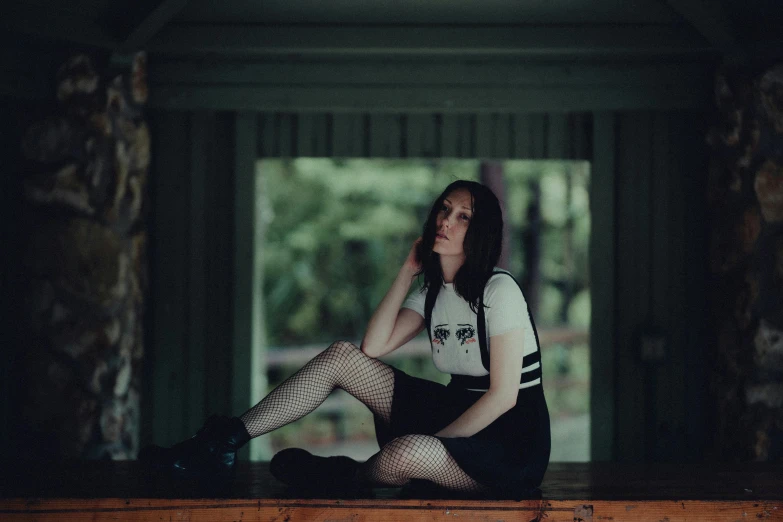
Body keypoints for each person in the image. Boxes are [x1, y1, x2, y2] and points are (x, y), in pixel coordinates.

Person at [140, 180, 551, 499]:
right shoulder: (433, 291)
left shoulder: (500, 291)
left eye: (463, 216)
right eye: (444, 209)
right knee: (341, 356)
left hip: (508, 440)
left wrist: (434, 443)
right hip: (457, 406)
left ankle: (346, 476)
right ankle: (221, 443)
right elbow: (372, 348)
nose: (446, 221)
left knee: (409, 453)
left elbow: (504, 397)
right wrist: (407, 272)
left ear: (480, 231)